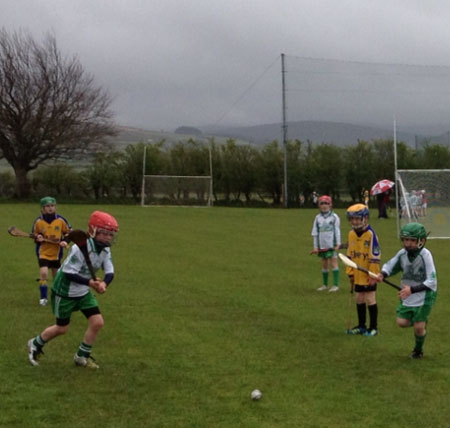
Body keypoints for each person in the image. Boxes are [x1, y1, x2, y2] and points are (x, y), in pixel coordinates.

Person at [27, 211, 119, 369]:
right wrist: (91, 282)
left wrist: (104, 283)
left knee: (97, 322)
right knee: (62, 328)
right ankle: (35, 344)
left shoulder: (105, 250)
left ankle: (81, 356)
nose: (108, 238)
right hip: (65, 291)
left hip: (82, 292)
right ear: (93, 230)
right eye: (105, 233)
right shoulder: (79, 249)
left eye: (111, 234)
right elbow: (69, 273)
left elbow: (110, 271)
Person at [376, 223, 436, 359]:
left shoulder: (425, 255)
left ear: (421, 241)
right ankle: (420, 323)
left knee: (418, 327)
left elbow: (432, 281)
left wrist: (412, 289)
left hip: (425, 294)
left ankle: (418, 351)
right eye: (406, 240)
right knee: (401, 323)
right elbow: (391, 265)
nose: (408, 244)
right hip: (407, 294)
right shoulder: (402, 254)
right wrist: (382, 274)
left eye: (412, 241)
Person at [345, 204, 381, 336]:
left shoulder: (371, 235)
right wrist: (350, 273)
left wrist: (373, 275)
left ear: (365, 218)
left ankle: (373, 328)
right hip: (357, 274)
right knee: (359, 299)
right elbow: (349, 256)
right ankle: (361, 326)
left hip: (369, 274)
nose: (354, 222)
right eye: (352, 219)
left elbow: (375, 257)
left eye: (357, 219)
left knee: (370, 299)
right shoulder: (351, 234)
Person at [32, 196, 71, 306]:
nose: (50, 208)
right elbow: (34, 234)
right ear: (42, 208)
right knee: (44, 273)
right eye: (47, 206)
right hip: (43, 252)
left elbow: (68, 233)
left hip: (56, 254)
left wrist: (65, 242)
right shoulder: (39, 222)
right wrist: (38, 237)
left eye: (52, 206)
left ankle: (57, 296)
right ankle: (43, 298)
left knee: (56, 277)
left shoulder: (61, 220)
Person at [311, 195, 341, 292]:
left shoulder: (334, 217)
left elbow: (337, 231)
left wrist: (338, 244)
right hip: (322, 245)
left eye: (326, 203)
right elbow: (315, 233)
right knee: (324, 264)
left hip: (331, 245)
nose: (324, 206)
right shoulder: (317, 218)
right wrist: (316, 247)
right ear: (319, 205)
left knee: (333, 263)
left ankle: (336, 285)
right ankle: (325, 284)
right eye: (322, 203)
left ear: (330, 205)